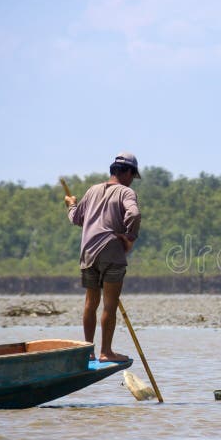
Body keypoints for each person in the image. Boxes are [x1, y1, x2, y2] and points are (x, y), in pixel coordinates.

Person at [65, 152, 142, 362]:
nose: (132, 181)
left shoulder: (92, 191)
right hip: (111, 250)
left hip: (88, 252)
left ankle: (88, 351)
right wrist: (129, 237)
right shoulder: (126, 193)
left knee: (91, 303)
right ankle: (106, 352)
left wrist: (71, 204)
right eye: (132, 176)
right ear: (126, 172)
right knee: (110, 304)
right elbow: (134, 215)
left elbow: (76, 218)